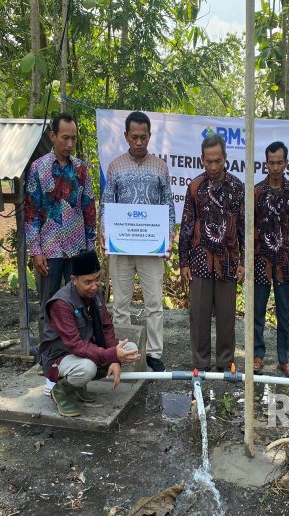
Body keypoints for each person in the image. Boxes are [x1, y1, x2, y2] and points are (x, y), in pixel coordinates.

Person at [100, 111, 174, 373]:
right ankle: (126, 352)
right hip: (121, 245)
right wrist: (104, 233)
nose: (139, 141)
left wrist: (169, 238)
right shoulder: (116, 166)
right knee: (121, 304)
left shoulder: (160, 167)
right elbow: (107, 203)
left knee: (154, 303)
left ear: (150, 136)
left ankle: (153, 353)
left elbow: (168, 206)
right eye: (134, 137)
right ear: (126, 136)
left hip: (151, 248)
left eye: (144, 137)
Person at [37, 251, 141, 417]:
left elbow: (106, 327)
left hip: (86, 347)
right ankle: (60, 391)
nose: (94, 285)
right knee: (87, 368)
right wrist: (111, 355)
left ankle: (79, 385)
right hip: (59, 355)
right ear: (74, 280)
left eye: (97, 279)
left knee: (130, 349)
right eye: (88, 282)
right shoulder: (61, 304)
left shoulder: (95, 292)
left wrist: (115, 357)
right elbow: (76, 345)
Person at [25, 112, 96, 344]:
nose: (69, 144)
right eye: (65, 137)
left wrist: (90, 246)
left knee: (79, 302)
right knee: (49, 303)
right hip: (49, 251)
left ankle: (78, 350)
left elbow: (89, 209)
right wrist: (35, 251)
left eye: (73, 138)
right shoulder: (38, 168)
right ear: (53, 135)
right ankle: (48, 355)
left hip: (77, 250)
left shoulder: (81, 170)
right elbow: (31, 213)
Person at [179, 132, 245, 373]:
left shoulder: (238, 187)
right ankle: (201, 363)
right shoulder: (195, 187)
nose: (214, 166)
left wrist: (243, 262)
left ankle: (226, 363)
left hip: (228, 262)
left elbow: (243, 227)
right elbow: (187, 224)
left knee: (227, 316)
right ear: (202, 160)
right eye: (209, 161)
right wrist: (183, 261)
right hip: (199, 261)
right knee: (199, 314)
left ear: (225, 158)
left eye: (218, 160)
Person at [253, 141, 289, 378]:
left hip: (284, 261)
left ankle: (285, 359)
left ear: (286, 163)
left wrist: (285, 246)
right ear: (266, 163)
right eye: (271, 162)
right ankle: (256, 355)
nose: (275, 167)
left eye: (279, 162)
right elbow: (250, 226)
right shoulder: (257, 192)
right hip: (260, 260)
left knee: (284, 311)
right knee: (257, 310)